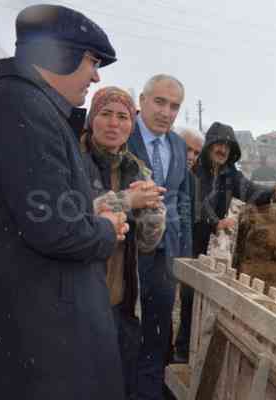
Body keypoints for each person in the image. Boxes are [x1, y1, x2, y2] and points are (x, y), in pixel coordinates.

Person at [0, 4, 129, 400]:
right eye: (91, 60)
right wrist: (107, 227)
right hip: (33, 344)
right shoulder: (18, 109)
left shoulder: (14, 106)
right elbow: (58, 232)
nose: (96, 74)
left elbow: (30, 211)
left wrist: (85, 214)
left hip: (23, 332)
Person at [80, 86, 168, 399]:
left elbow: (146, 243)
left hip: (121, 299)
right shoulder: (73, 160)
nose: (114, 124)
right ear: (92, 119)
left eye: (122, 117)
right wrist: (127, 200)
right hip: (76, 301)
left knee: (118, 385)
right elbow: (73, 218)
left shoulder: (137, 168)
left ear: (132, 124)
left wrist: (154, 212)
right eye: (105, 114)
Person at [173, 122, 276, 362]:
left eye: (227, 145)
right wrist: (215, 222)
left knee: (202, 297)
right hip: (186, 237)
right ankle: (181, 354)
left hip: (207, 245)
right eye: (218, 144)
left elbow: (251, 191)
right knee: (187, 297)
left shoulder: (229, 175)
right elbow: (194, 202)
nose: (222, 149)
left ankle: (194, 352)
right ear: (209, 145)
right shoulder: (194, 169)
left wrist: (273, 192)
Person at [127, 74, 192, 400]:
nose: (167, 112)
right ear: (142, 100)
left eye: (174, 106)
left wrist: (185, 254)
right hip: (125, 251)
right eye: (160, 102)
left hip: (166, 254)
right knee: (126, 325)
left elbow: (182, 199)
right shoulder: (121, 135)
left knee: (158, 325)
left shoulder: (178, 146)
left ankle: (150, 393)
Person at [171, 126, 202, 364]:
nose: (191, 156)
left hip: (182, 256)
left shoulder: (191, 180)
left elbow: (190, 219)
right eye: (187, 149)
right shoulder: (160, 172)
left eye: (196, 152)